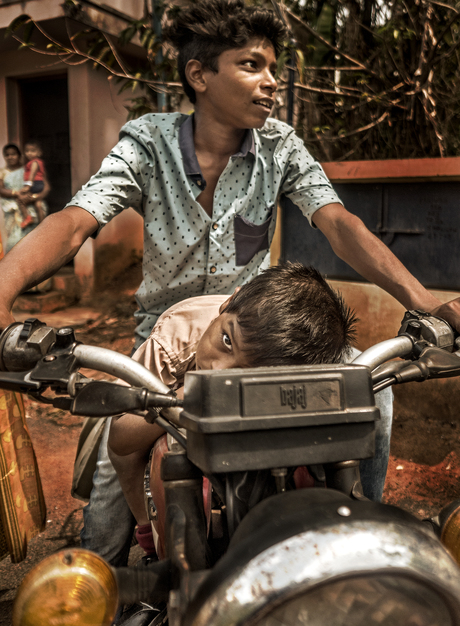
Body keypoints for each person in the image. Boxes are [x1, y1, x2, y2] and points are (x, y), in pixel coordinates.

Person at [0, 0, 457, 567]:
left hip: (260, 334)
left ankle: (359, 528)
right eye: (252, 65)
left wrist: (423, 299)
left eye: (273, 68)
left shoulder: (281, 147)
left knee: (373, 393)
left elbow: (339, 224)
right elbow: (74, 222)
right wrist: (3, 288)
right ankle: (114, 580)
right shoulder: (148, 143)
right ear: (200, 75)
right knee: (111, 488)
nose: (271, 83)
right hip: (167, 349)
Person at [108, 262, 358, 552]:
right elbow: (121, 435)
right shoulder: (174, 341)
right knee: (110, 487)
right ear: (229, 301)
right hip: (168, 395)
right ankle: (140, 535)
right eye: (227, 341)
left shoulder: (305, 365)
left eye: (246, 372)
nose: (217, 370)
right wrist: (183, 395)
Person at [0, 143, 49, 253]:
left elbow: (45, 186)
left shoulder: (30, 169)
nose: (10, 157)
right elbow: (1, 189)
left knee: (35, 243)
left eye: (13, 154)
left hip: (32, 209)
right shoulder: (2, 172)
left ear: (20, 155)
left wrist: (35, 197)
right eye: (7, 155)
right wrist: (16, 193)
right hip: (13, 212)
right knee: (14, 245)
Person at [18, 140, 46, 228]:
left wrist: (27, 186)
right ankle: (42, 224)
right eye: (27, 151)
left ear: (39, 152)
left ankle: (27, 218)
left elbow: (32, 174)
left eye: (33, 151)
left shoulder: (34, 162)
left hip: (35, 184)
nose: (29, 153)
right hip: (39, 185)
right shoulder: (39, 162)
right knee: (38, 204)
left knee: (21, 201)